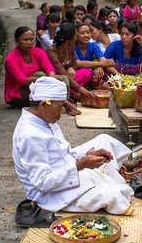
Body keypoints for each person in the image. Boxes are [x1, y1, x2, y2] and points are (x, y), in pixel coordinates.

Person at [13, 77, 134, 216]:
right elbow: (43, 183)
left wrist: (84, 156)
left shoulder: (46, 119)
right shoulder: (30, 135)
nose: (61, 112)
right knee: (111, 195)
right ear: (43, 104)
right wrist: (80, 165)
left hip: (64, 168)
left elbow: (63, 152)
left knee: (104, 140)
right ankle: (110, 180)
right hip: (48, 193)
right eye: (60, 106)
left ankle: (110, 177)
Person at [5, 27, 80, 115]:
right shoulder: (10, 59)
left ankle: (58, 102)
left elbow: (50, 70)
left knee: (64, 79)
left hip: (39, 87)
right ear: (16, 41)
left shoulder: (39, 52)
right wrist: (44, 79)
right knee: (40, 75)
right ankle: (64, 102)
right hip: (18, 93)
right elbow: (23, 81)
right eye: (25, 40)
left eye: (31, 39)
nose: (29, 42)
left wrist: (50, 78)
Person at [45, 23, 96, 101]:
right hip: (57, 80)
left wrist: (71, 67)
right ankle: (73, 94)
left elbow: (74, 65)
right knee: (64, 80)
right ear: (69, 40)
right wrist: (84, 91)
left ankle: (73, 92)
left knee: (86, 72)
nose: (76, 38)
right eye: (75, 36)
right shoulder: (52, 52)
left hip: (70, 77)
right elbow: (62, 73)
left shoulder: (70, 47)